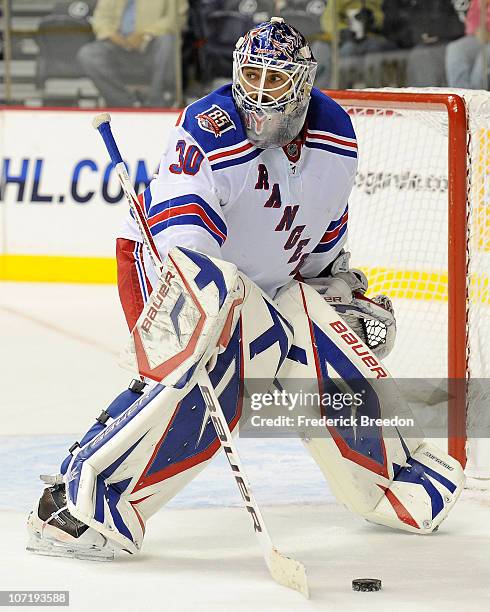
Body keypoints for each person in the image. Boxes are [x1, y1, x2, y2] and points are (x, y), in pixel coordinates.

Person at [27, 18, 464, 561]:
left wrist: (334, 289)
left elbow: (322, 228)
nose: (257, 93)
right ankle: (80, 504)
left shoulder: (337, 136)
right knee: (215, 375)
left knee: (324, 348)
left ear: (303, 86)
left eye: (274, 80)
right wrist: (212, 320)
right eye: (249, 76)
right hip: (170, 270)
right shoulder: (208, 128)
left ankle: (400, 480)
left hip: (269, 281)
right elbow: (186, 245)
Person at [77, 0, 188, 107]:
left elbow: (176, 19)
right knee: (89, 54)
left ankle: (157, 101)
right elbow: (100, 19)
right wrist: (113, 36)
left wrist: (145, 35)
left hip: (152, 45)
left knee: (167, 41)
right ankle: (125, 103)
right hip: (118, 46)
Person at [312, 0, 395, 88]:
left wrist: (372, 19)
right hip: (342, 38)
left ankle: (373, 91)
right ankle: (335, 92)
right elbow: (328, 20)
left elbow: (380, 13)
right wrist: (343, 30)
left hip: (368, 36)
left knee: (375, 50)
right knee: (346, 51)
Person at [382, 0, 464, 86]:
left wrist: (436, 34)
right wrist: (419, 35)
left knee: (422, 55)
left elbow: (455, 24)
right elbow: (389, 27)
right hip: (406, 43)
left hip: (446, 41)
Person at [446, 0, 490, 89]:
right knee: (455, 49)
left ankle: (477, 98)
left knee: (484, 57)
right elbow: (473, 19)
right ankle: (461, 96)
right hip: (479, 36)